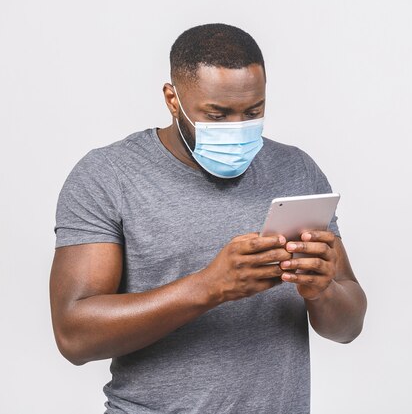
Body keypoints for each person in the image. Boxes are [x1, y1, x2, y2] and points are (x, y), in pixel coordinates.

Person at [49, 23, 367, 413]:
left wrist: (323, 292)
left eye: (253, 112)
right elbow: (73, 336)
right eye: (217, 115)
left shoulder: (297, 171)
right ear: (172, 98)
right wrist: (208, 287)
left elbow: (349, 327)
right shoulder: (109, 176)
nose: (237, 128)